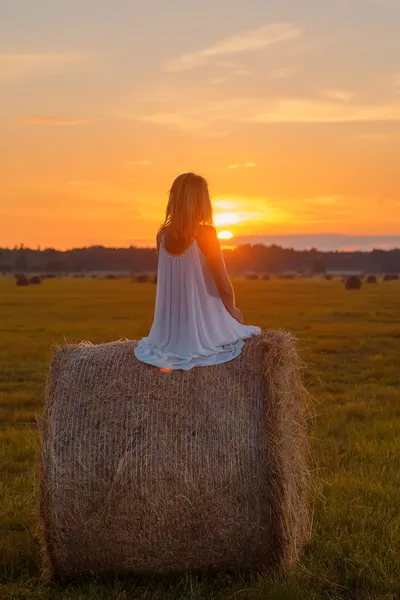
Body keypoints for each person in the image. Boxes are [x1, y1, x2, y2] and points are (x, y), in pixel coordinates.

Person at [134, 172, 261, 370]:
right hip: (201, 328)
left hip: (169, 331)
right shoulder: (206, 233)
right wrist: (233, 311)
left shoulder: (162, 235)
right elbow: (222, 283)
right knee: (248, 331)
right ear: (201, 201)